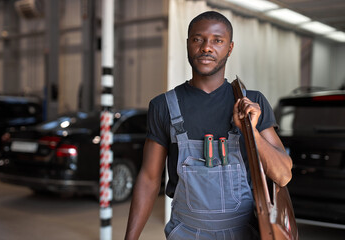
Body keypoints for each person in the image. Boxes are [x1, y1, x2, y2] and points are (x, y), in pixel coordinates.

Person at [125, 11, 293, 240]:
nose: (206, 47)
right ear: (188, 44)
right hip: (185, 232)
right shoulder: (163, 106)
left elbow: (283, 175)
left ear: (230, 48)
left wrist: (250, 131)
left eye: (217, 40)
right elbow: (149, 178)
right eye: (198, 39)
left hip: (244, 232)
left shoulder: (252, 103)